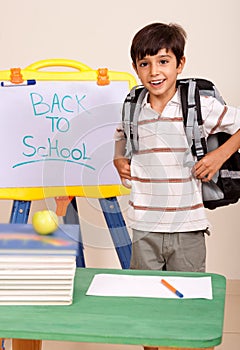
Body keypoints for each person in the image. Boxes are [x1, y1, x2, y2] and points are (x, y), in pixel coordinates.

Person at [113, 22, 240, 273]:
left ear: (180, 64)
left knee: (187, 303)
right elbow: (121, 135)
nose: (153, 72)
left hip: (188, 225)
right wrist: (119, 159)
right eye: (144, 64)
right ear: (135, 68)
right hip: (143, 225)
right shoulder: (133, 106)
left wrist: (219, 156)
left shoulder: (198, 105)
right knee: (148, 299)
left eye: (163, 61)